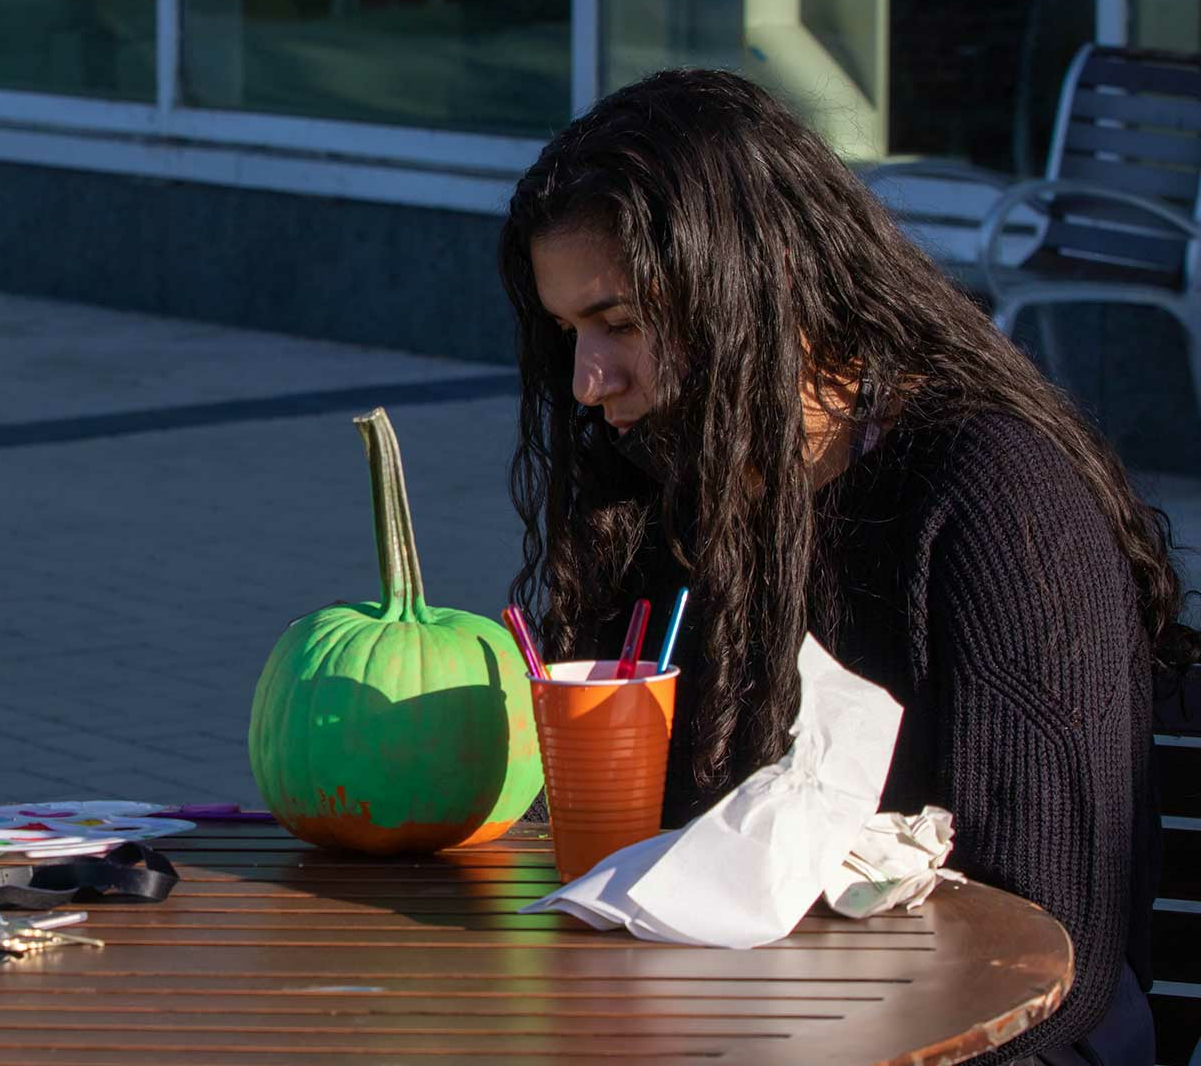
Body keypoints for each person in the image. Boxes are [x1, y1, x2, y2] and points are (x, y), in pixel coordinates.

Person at [501, 68, 1196, 1064]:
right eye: (568, 333)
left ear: (759, 282)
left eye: (621, 323)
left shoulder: (995, 500)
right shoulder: (665, 483)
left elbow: (1050, 948)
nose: (586, 382)